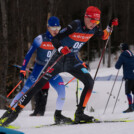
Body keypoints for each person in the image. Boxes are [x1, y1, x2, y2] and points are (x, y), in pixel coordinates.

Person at [0, 6, 118, 126]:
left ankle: (80, 114)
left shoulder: (93, 29)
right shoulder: (75, 25)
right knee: (37, 86)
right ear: (86, 17)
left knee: (89, 82)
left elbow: (104, 36)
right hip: (58, 59)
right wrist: (61, 48)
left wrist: (110, 25)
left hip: (72, 61)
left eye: (97, 22)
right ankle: (12, 113)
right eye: (92, 21)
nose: (94, 24)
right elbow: (55, 39)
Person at [0, 16, 72, 126]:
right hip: (39, 69)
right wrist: (23, 69)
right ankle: (7, 115)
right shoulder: (40, 39)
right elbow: (28, 55)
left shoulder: (61, 39)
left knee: (62, 91)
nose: (56, 30)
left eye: (58, 28)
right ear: (48, 27)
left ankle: (58, 116)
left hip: (52, 70)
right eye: (53, 28)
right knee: (25, 91)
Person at [115, 43, 134, 113]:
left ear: (122, 49)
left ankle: (130, 107)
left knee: (128, 92)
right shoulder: (132, 55)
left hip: (128, 77)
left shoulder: (122, 56)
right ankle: (133, 106)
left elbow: (117, 66)